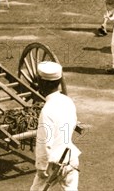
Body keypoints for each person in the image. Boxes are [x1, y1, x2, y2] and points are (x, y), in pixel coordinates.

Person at [30, 61, 80, 191]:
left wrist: (41, 168)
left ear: (44, 83)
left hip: (53, 164)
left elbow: (44, 142)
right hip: (70, 158)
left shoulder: (47, 111)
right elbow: (73, 123)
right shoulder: (67, 101)